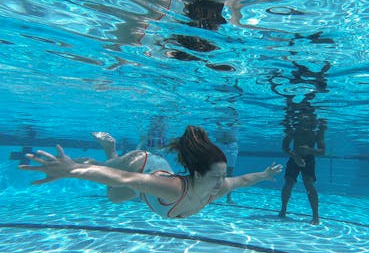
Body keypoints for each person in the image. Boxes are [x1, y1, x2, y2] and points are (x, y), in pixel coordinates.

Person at [19, 126, 282, 219]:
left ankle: (110, 154)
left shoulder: (218, 187)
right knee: (107, 175)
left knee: (114, 197)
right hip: (140, 164)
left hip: (146, 185)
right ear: (197, 175)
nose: (221, 184)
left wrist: (265, 174)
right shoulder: (175, 189)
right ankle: (107, 150)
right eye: (216, 178)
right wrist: (71, 170)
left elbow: (244, 179)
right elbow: (124, 178)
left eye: (222, 178)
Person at [278, 96, 326, 225]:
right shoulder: (294, 130)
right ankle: (283, 209)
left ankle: (316, 216)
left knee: (309, 185)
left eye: (308, 119)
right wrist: (295, 156)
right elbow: (285, 147)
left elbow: (322, 151)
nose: (305, 122)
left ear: (311, 120)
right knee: (288, 183)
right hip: (294, 158)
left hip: (309, 159)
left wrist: (310, 151)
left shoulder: (317, 132)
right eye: (302, 119)